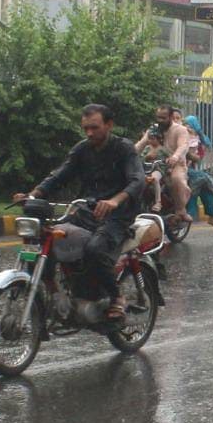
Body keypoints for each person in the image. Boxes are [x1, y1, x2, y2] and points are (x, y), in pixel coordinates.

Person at [13, 104, 146, 323]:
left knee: (95, 249)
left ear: (109, 125)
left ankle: (116, 297)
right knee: (43, 239)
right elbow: (59, 176)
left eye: (94, 127)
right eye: (85, 128)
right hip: (85, 212)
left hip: (117, 216)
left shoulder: (124, 148)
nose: (89, 133)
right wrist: (33, 194)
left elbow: (137, 180)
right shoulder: (82, 149)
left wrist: (114, 201)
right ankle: (55, 292)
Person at [181, 113, 213, 229]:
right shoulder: (176, 135)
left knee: (200, 182)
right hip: (178, 168)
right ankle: (208, 216)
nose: (186, 127)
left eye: (188, 125)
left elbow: (197, 158)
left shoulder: (198, 141)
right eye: (184, 124)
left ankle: (197, 214)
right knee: (202, 179)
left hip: (188, 169)